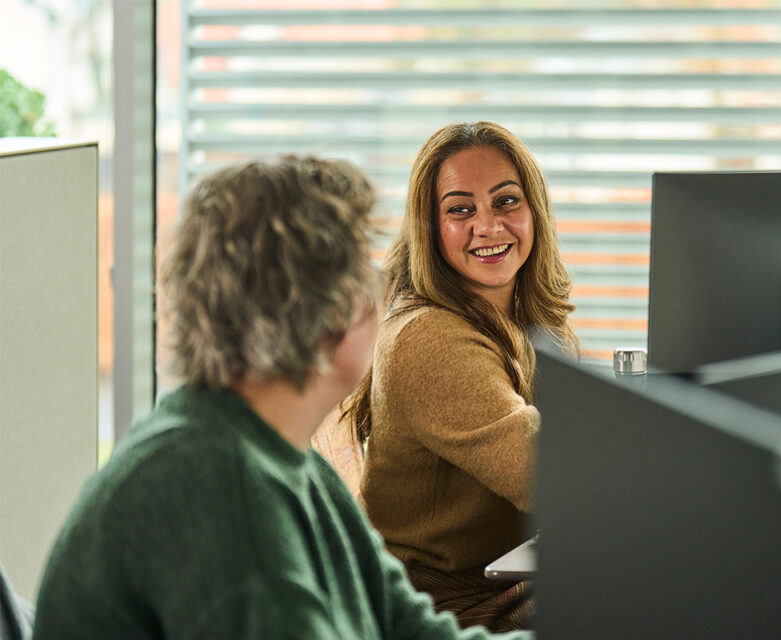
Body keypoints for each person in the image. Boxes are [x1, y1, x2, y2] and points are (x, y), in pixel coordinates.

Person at [32, 154, 528, 640]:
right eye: (364, 270)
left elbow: (407, 628)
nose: (379, 290)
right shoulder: (219, 485)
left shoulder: (287, 459)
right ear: (331, 315)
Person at [325, 122, 578, 631]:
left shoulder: (520, 320)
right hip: (440, 609)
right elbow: (548, 476)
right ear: (430, 228)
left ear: (534, 210)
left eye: (506, 201)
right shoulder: (429, 337)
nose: (488, 226)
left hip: (498, 584)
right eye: (460, 210)